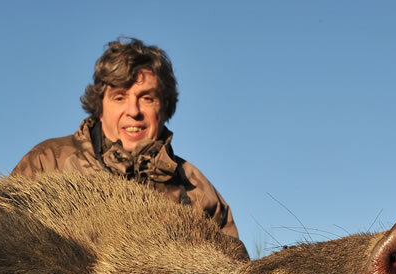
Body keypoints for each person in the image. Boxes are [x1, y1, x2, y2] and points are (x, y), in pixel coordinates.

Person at [13, 38, 238, 239]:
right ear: (99, 106)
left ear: (165, 108)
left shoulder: (195, 188)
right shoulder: (47, 163)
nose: (133, 111)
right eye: (119, 97)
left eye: (147, 98)